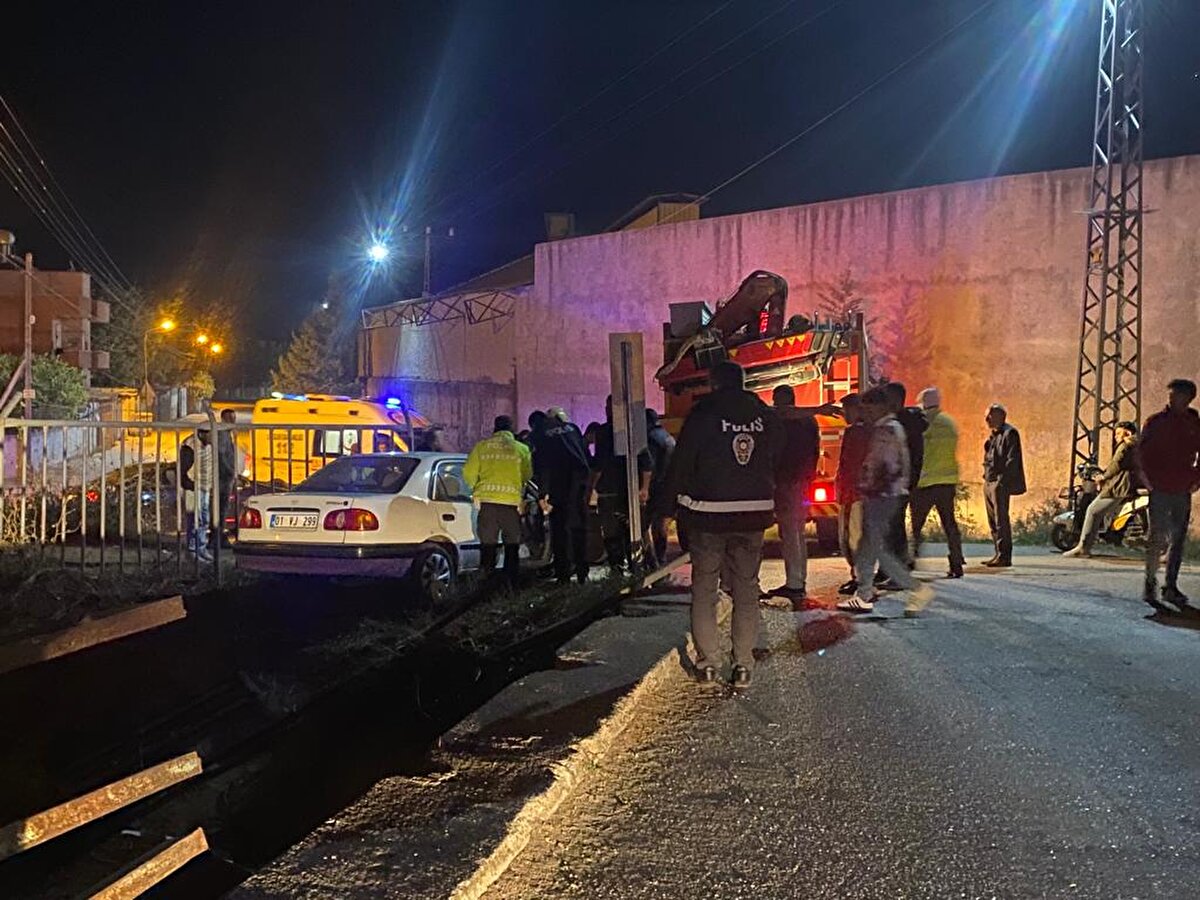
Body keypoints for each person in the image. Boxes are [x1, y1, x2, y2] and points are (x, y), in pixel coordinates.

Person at [662, 360, 783, 690]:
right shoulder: (765, 416)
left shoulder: (703, 415)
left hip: (707, 515)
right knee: (746, 589)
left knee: (705, 588)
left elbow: (683, 462)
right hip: (754, 514)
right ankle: (743, 665)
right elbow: (779, 458)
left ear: (714, 383)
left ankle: (709, 665)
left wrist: (665, 507)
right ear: (742, 382)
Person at [836, 388, 935, 617]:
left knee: (874, 549)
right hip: (884, 495)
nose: (865, 413)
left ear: (881, 407)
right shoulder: (889, 428)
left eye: (868, 408)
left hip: (882, 496)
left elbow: (886, 466)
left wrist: (868, 486)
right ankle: (865, 593)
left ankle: (914, 589)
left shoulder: (888, 429)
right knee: (869, 548)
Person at [1139, 379, 1200, 612]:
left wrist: (1197, 479)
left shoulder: (1194, 423)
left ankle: (1170, 585)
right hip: (1160, 488)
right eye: (1171, 395)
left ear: (1189, 398)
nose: (1172, 399)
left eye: (1178, 396)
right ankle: (1150, 583)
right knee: (1156, 538)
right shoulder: (1156, 422)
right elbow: (1141, 454)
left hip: (1182, 488)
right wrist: (1147, 482)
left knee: (1177, 540)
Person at [463, 415, 533, 587]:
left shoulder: (481, 447)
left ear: (495, 428)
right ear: (511, 429)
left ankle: (486, 585)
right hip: (511, 505)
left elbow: (468, 474)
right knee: (512, 546)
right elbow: (527, 475)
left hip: (487, 504)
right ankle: (511, 586)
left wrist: (476, 490)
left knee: (488, 546)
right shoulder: (521, 449)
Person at [765, 384, 819, 601]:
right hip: (802, 481)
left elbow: (774, 452)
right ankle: (798, 580)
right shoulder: (809, 421)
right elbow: (815, 449)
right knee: (797, 532)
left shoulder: (780, 420)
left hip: (787, 482)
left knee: (789, 534)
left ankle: (795, 583)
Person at [588, 396, 652, 573]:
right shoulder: (635, 431)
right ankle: (639, 569)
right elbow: (647, 464)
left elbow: (599, 465)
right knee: (633, 532)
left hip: (610, 492)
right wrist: (644, 488)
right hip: (630, 491)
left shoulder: (604, 432)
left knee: (612, 533)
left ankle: (618, 571)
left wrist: (590, 488)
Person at [1063, 421, 1140, 559]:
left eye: (1118, 433)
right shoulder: (1138, 445)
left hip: (1119, 485)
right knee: (1099, 513)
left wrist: (1102, 476)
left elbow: (1116, 464)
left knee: (1093, 511)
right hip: (1129, 484)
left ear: (1127, 433)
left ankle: (1083, 547)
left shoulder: (1126, 446)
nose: (1116, 436)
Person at [911, 387, 965, 578]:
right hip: (947, 481)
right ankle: (957, 562)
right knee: (950, 525)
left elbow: (917, 450)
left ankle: (910, 559)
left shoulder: (922, 423)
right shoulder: (949, 422)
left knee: (916, 526)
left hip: (925, 482)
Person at [536, 407, 593, 584]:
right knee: (578, 528)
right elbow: (586, 455)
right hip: (579, 484)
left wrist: (542, 493)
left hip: (559, 486)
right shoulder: (573, 429)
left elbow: (543, 465)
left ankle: (563, 576)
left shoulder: (544, 433)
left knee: (560, 531)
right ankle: (582, 572)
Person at [879, 382, 927, 582]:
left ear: (897, 400)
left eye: (887, 399)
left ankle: (898, 571)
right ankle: (888, 569)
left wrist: (906, 482)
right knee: (888, 527)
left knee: (894, 527)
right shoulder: (904, 422)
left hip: (898, 484)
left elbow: (911, 457)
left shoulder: (905, 425)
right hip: (893, 483)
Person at [982, 403, 1026, 568]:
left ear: (1000, 416)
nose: (986, 419)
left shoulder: (1010, 433)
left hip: (999, 483)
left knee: (1001, 520)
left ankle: (1004, 556)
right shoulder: (993, 435)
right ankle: (998, 553)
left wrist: (1001, 481)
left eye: (990, 416)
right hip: (989, 481)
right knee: (993, 520)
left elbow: (1012, 460)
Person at [835, 394, 870, 595]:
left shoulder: (856, 432)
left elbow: (850, 465)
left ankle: (860, 579)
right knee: (854, 537)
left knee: (852, 537)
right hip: (857, 493)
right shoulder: (868, 430)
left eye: (846, 410)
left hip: (853, 493)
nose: (844, 414)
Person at [644, 408, 676, 567]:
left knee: (644, 526)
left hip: (655, 488)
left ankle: (651, 562)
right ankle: (661, 559)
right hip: (668, 489)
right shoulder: (668, 437)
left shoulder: (650, 439)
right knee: (661, 525)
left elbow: (649, 466)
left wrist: (645, 488)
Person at [180, 426, 214, 562]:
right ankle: (192, 550)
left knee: (204, 520)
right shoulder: (190, 447)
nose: (212, 438)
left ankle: (201, 548)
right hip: (193, 488)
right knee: (194, 520)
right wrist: (190, 485)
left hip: (205, 487)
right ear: (202, 433)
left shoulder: (208, 446)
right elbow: (183, 470)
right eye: (210, 435)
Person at [216, 409, 239, 547]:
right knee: (221, 509)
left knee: (222, 508)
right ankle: (217, 538)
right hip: (223, 478)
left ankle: (218, 536)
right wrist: (230, 472)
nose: (233, 422)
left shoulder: (226, 434)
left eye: (233, 419)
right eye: (230, 419)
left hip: (225, 477)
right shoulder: (223, 435)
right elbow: (221, 456)